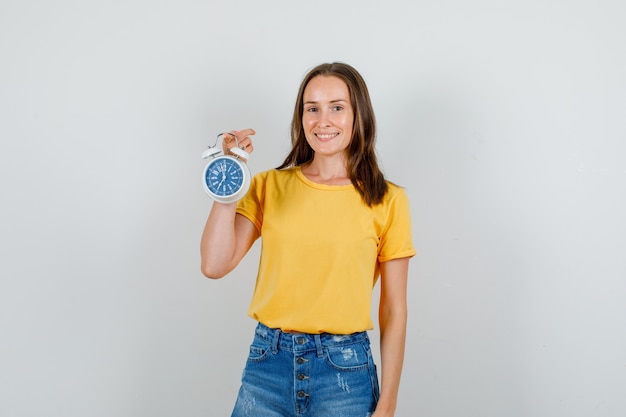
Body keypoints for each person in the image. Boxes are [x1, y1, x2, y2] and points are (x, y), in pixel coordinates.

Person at [200, 62, 415, 417]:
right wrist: (229, 178)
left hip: (345, 375)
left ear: (358, 114)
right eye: (311, 108)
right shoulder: (270, 186)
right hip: (268, 366)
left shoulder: (387, 199)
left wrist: (388, 402)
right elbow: (214, 264)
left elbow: (393, 310)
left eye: (337, 107)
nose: (322, 120)